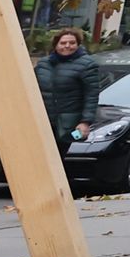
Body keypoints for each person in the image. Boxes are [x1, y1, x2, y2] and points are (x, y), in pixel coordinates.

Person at [35, 26, 93, 162]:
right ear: (55, 45)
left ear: (78, 45)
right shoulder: (43, 64)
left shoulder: (87, 65)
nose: (67, 46)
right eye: (63, 43)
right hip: (43, 120)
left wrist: (85, 122)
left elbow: (91, 95)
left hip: (68, 124)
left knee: (56, 160)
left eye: (72, 43)